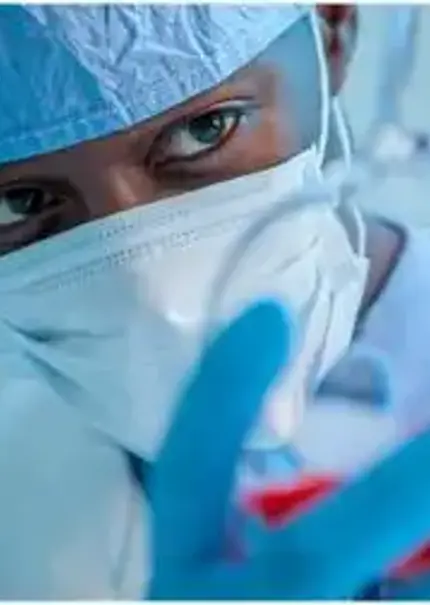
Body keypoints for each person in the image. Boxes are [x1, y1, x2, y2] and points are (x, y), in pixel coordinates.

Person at [0, 3, 430, 599]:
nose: (154, 298)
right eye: (19, 203)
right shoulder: (20, 505)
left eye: (204, 131)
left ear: (332, 33)